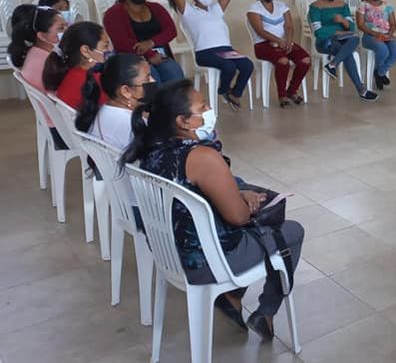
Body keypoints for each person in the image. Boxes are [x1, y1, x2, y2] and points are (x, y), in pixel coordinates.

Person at [121, 79, 305, 340]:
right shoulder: (202, 157)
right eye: (203, 107)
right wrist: (246, 204)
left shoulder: (152, 148)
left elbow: (195, 194)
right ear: (183, 121)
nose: (210, 111)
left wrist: (237, 192)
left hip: (170, 253)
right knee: (292, 231)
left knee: (247, 194)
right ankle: (265, 311)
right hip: (208, 261)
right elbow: (238, 218)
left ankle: (232, 297)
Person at [169, 0, 253, 111]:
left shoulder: (216, 9)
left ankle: (234, 94)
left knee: (247, 65)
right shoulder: (188, 11)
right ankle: (223, 91)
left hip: (226, 50)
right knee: (229, 66)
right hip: (205, 53)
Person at [103, 0, 185, 83]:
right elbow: (121, 42)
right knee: (149, 76)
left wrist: (151, 43)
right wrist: (149, 54)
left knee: (173, 71)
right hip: (132, 58)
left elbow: (171, 31)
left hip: (160, 55)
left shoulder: (156, 8)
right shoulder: (113, 14)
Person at [8, 4, 69, 147]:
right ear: (41, 35)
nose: (67, 31)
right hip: (63, 131)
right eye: (61, 28)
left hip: (54, 123)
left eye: (67, 26)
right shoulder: (47, 63)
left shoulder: (36, 53)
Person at [308, 0, 378, 101]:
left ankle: (332, 64)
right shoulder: (315, 7)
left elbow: (351, 27)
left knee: (355, 38)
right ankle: (361, 89)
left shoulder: (342, 5)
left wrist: (342, 21)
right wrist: (336, 32)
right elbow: (318, 32)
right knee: (348, 53)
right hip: (326, 42)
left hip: (344, 39)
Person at [247, 0, 310, 107]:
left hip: (284, 42)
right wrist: (277, 41)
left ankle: (292, 91)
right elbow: (260, 31)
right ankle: (282, 95)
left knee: (305, 60)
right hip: (263, 44)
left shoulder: (282, 6)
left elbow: (289, 26)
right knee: (283, 61)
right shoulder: (254, 8)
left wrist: (289, 41)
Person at [75, 53, 154, 150]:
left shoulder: (108, 108)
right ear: (126, 91)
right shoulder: (134, 124)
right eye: (147, 78)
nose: (153, 81)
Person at [42, 21, 110, 109]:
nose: (109, 50)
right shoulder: (93, 81)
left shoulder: (70, 74)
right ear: (85, 51)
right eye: (105, 46)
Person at [355, 0, 396, 90]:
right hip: (370, 36)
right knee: (383, 50)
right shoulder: (363, 5)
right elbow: (360, 25)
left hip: (386, 35)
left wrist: (390, 34)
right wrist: (375, 34)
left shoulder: (387, 6)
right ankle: (380, 74)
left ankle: (380, 72)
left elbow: (393, 24)